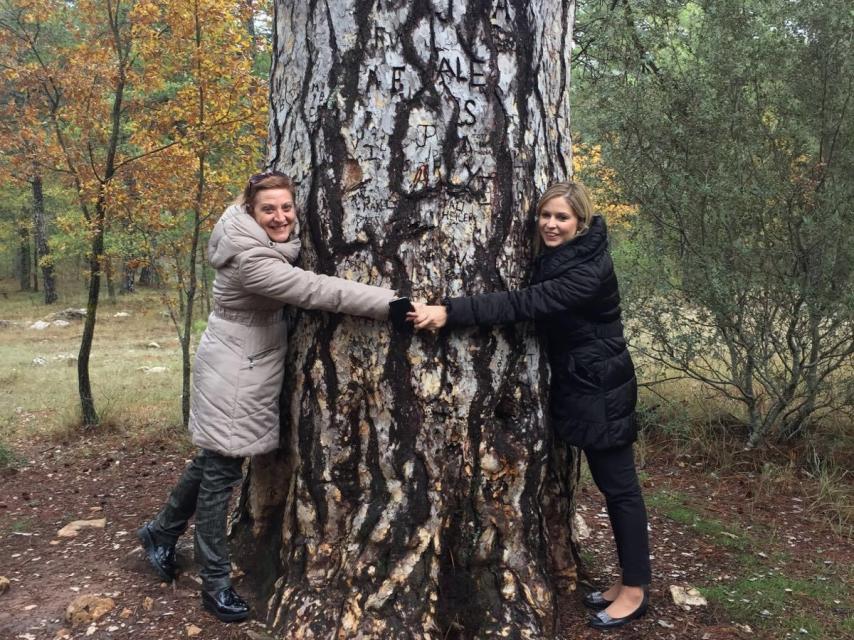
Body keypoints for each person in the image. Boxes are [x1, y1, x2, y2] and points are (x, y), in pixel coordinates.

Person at [137, 171, 397, 622]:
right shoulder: (251, 259)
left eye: (286, 207)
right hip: (236, 368)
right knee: (221, 473)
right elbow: (316, 290)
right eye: (268, 209)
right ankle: (215, 583)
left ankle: (161, 531)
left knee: (213, 459)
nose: (280, 217)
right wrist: (391, 302)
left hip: (242, 355)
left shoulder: (250, 237)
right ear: (250, 211)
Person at [408, 181, 651, 631]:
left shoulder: (586, 269)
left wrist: (449, 312)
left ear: (581, 222)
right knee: (615, 486)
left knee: (619, 488)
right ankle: (627, 580)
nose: (551, 225)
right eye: (545, 215)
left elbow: (525, 303)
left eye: (562, 217)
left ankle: (636, 591)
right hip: (583, 380)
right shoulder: (566, 256)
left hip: (599, 386)